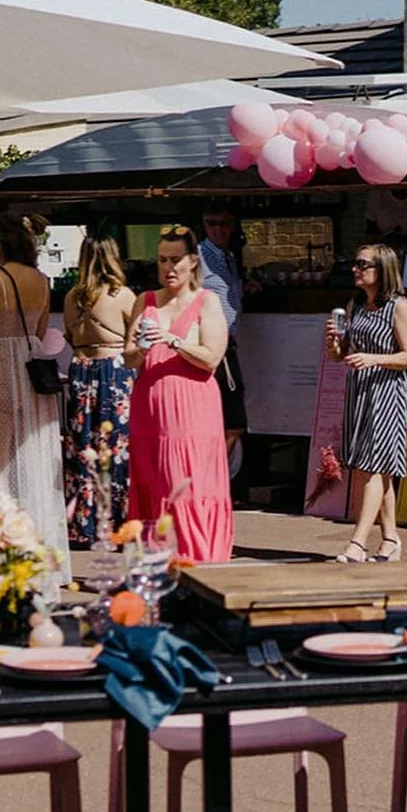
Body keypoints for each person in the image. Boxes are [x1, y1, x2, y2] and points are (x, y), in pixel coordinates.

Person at [125, 225, 232, 562]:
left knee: (188, 484)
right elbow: (128, 358)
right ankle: (156, 560)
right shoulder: (146, 300)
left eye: (175, 260)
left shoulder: (207, 301)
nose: (168, 267)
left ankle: (197, 557)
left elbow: (211, 358)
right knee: (153, 482)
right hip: (149, 410)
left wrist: (173, 340)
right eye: (161, 260)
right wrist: (142, 347)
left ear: (192, 262)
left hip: (192, 410)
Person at [0, 211, 69, 579]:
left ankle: (1, 550)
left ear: (1, 240)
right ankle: (40, 545)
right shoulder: (42, 281)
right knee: (35, 454)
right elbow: (43, 328)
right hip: (32, 362)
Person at [325, 242, 407, 562]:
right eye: (356, 263)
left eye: (363, 265)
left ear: (383, 271)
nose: (356, 269)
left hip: (387, 393)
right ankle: (390, 538)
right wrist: (334, 344)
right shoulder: (356, 305)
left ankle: (358, 542)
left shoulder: (399, 307)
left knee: (372, 469)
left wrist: (374, 358)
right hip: (360, 392)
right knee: (378, 470)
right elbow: (342, 355)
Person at [63, 234, 136, 546]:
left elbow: (69, 334)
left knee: (83, 447)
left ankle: (84, 521)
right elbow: (136, 338)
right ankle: (116, 520)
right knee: (116, 448)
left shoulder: (71, 297)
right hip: (112, 371)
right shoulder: (122, 295)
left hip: (81, 369)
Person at [197, 205, 253, 458]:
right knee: (229, 419)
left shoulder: (228, 257)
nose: (218, 229)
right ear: (204, 226)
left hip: (227, 342)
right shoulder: (196, 258)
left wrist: (245, 285)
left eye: (225, 223)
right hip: (209, 343)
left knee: (232, 419)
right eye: (212, 223)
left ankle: (213, 473)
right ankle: (211, 472)